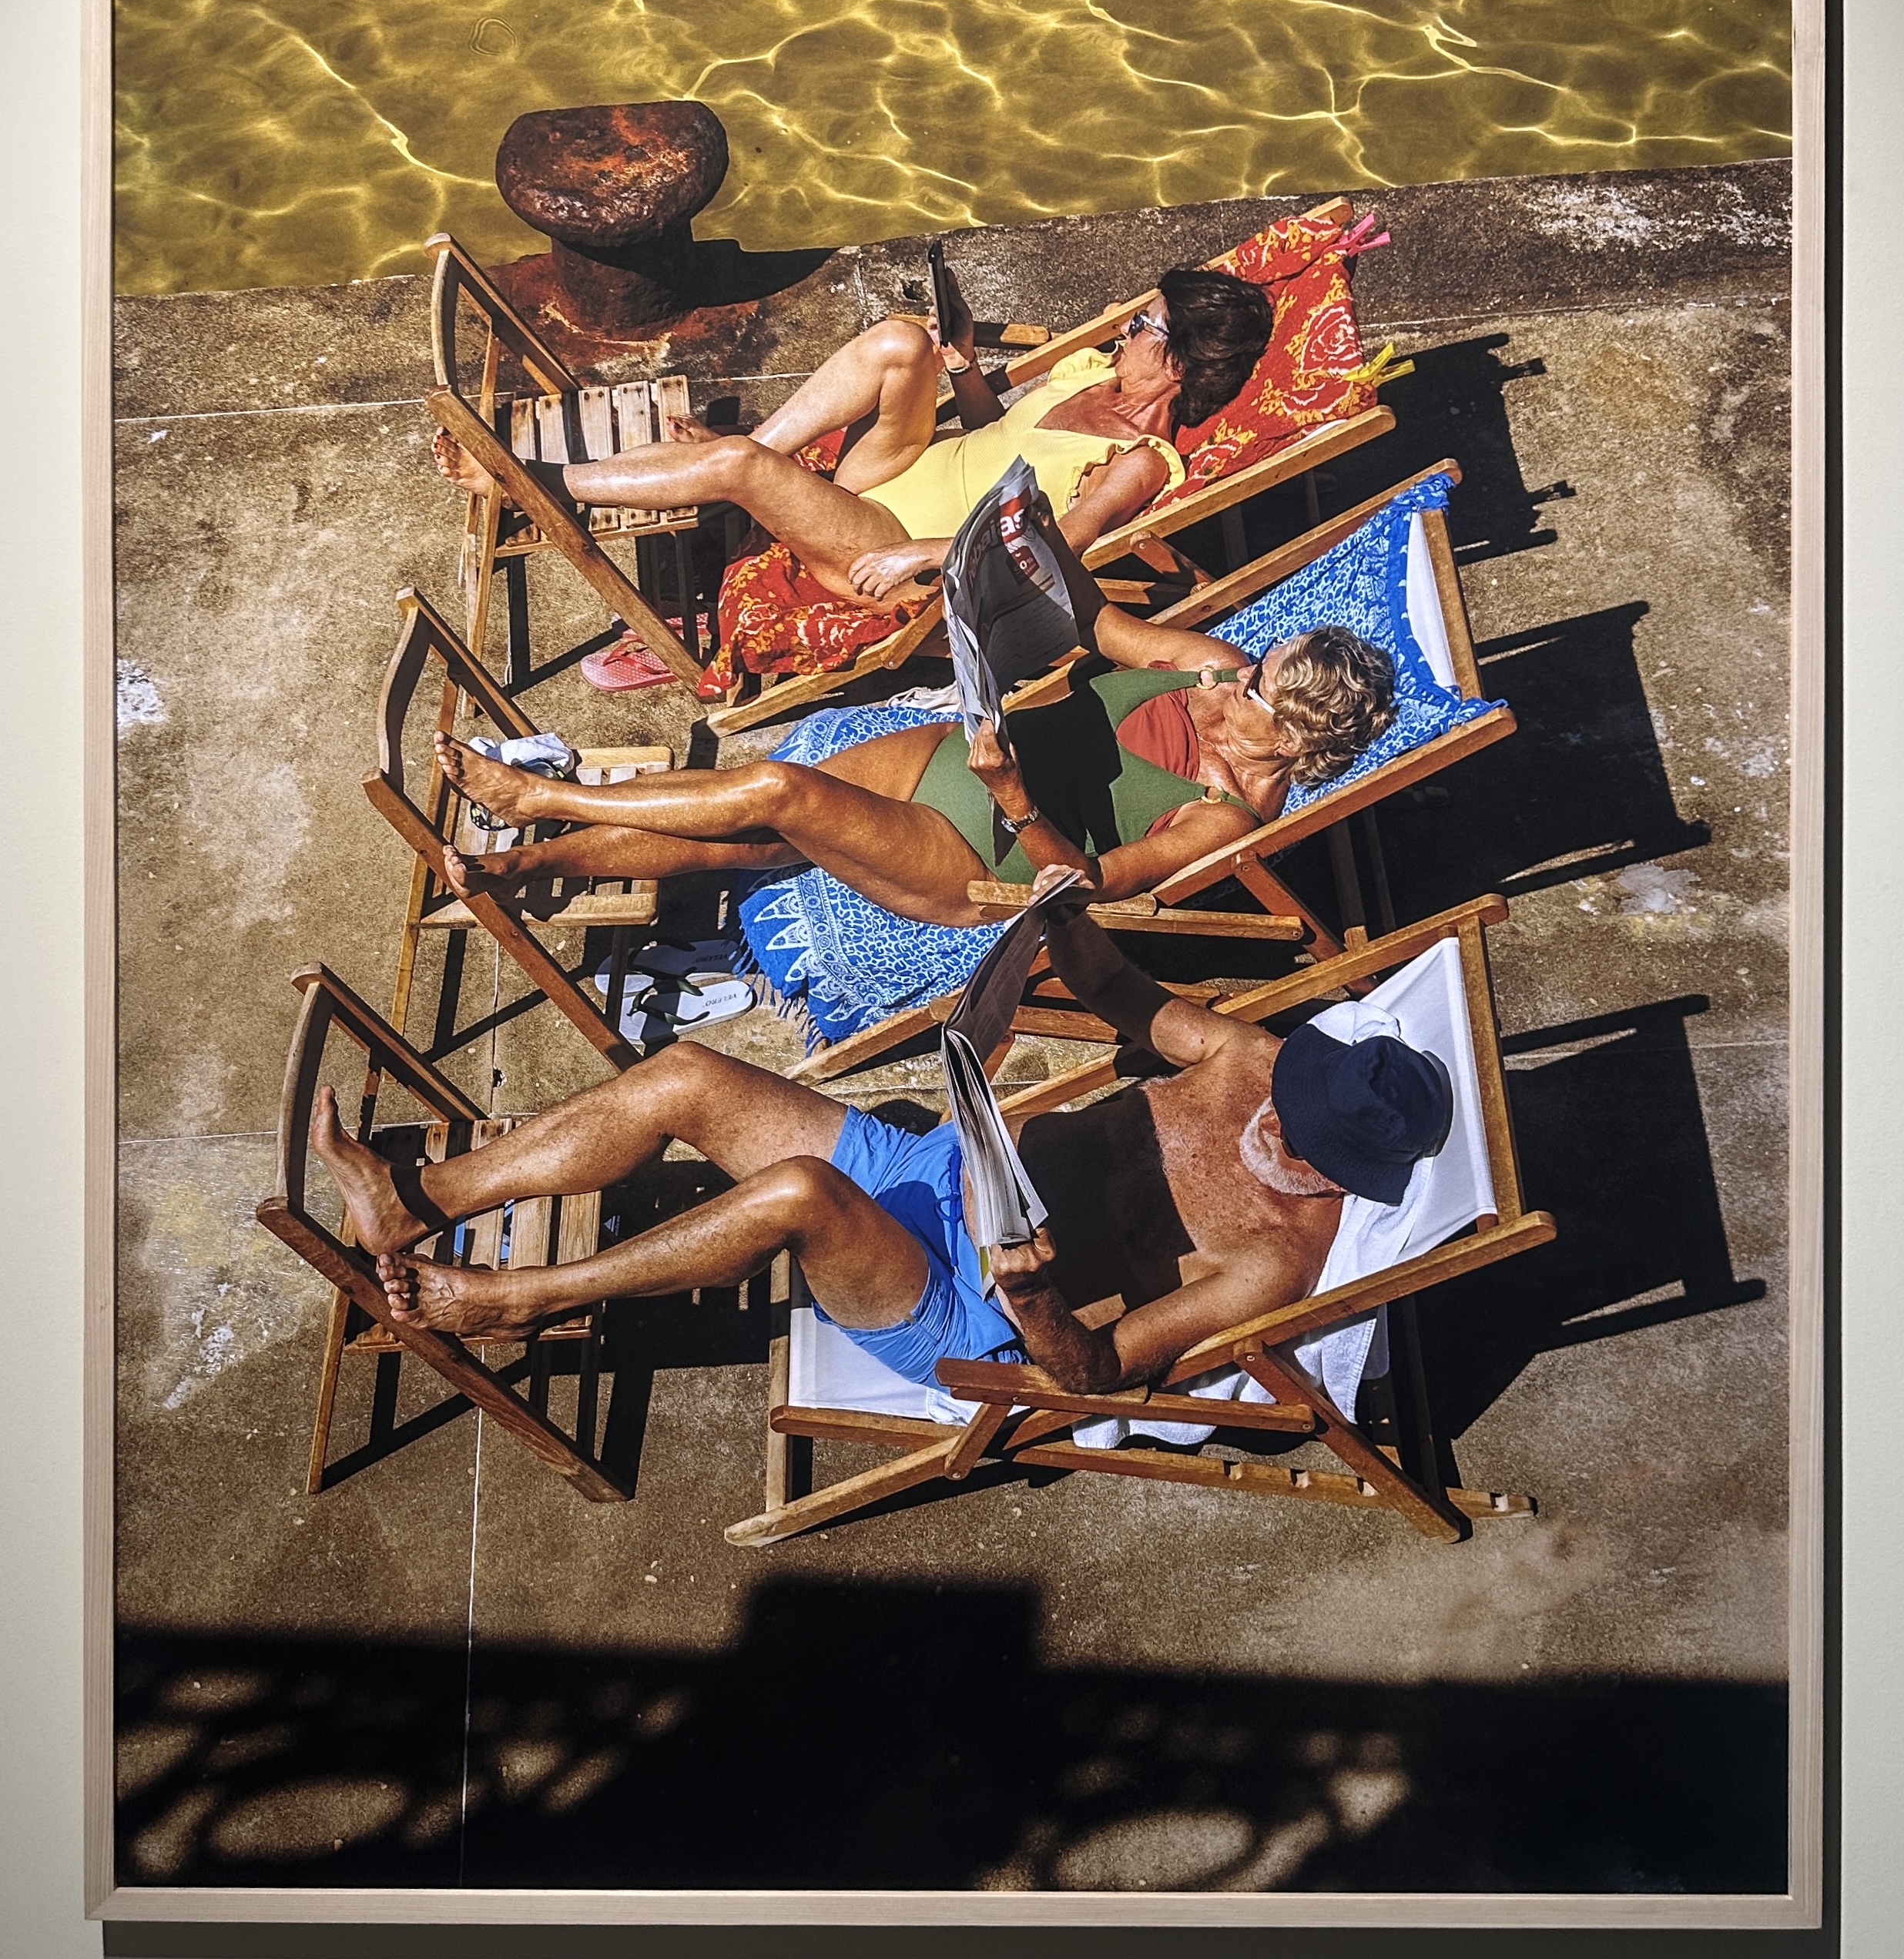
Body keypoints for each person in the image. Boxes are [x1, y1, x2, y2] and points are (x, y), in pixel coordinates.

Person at [313, 872, 1454, 1391]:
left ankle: (521, 1300)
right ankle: (418, 1202)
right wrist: (1057, 917)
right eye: (1291, 1092)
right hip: (934, 1167)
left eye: (1295, 1134)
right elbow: (1116, 988)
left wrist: (1033, 1294)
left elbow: (1096, 1373)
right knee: (686, 1075)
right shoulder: (1258, 1061)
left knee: (800, 1194)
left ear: (1338, 1174)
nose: (1271, 1115)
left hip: (968, 1308)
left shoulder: (1274, 1260)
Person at [427, 599, 1398, 928]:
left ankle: (538, 795)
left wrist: (1013, 796)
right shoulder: (1214, 664)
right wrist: (1007, 554)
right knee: (754, 838)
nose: (1234, 677)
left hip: (974, 854)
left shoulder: (1225, 817)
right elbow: (1095, 617)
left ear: (1289, 740)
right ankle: (531, 864)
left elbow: (1086, 885)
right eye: (1253, 667)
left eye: (1254, 691)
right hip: (957, 757)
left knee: (777, 790)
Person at [429, 256, 1276, 621]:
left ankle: (532, 480)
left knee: (735, 463)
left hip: (890, 540)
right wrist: (962, 366)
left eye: (1144, 326)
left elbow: (1058, 548)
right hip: (896, 470)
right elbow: (995, 435)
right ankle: (748, 459)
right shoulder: (1094, 373)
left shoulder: (1138, 463)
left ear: (1179, 362)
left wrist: (927, 554)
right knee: (903, 341)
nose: (1125, 329)